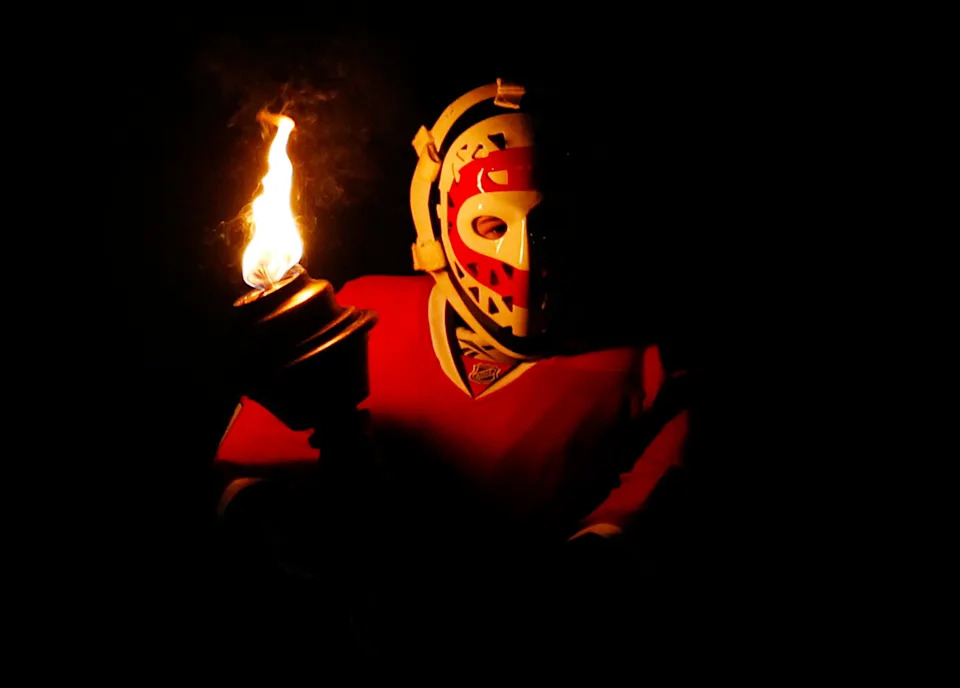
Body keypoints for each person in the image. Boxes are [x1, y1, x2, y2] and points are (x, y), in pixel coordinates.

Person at [213, 78, 702, 662]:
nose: (523, 256)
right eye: (492, 226)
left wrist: (533, 601)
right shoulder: (359, 316)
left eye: (547, 225)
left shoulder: (647, 369)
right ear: (438, 224)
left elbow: (636, 541)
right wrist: (282, 530)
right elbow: (241, 477)